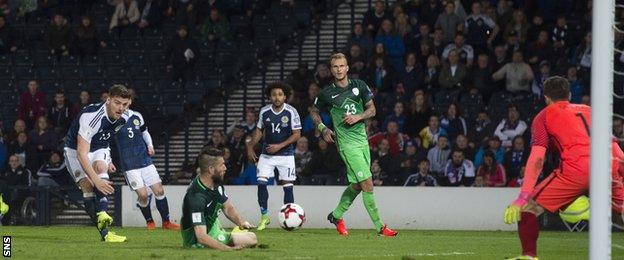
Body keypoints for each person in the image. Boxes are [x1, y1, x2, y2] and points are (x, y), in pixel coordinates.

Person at [503, 76, 624, 259]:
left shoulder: (544, 115)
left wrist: (523, 195)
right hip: (610, 163)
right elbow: (614, 146)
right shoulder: (590, 110)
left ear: (546, 97)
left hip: (578, 168)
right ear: (569, 94)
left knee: (528, 208)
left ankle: (529, 256)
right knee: (621, 210)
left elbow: (537, 158)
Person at [310, 53, 397, 236]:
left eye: (342, 66)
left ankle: (336, 215)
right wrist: (323, 128)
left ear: (347, 68)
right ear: (331, 70)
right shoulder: (327, 93)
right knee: (367, 183)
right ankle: (380, 227)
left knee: (357, 185)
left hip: (362, 143)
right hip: (346, 144)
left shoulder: (360, 85)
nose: (339, 69)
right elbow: (314, 111)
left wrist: (359, 116)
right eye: (335, 66)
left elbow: (372, 109)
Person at [63, 85, 132, 242]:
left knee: (101, 167)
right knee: (88, 185)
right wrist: (96, 181)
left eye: (124, 104)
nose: (121, 108)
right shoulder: (92, 117)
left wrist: (108, 160)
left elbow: (107, 137)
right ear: (108, 100)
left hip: (99, 147)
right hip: (75, 150)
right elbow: (81, 153)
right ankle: (105, 234)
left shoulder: (124, 117)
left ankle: (101, 213)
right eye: (117, 102)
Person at [111, 108, 180, 231]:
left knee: (159, 191)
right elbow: (109, 139)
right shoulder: (113, 119)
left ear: (129, 102)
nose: (123, 105)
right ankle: (150, 221)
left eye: (126, 102)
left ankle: (166, 222)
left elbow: (144, 132)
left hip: (145, 160)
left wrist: (150, 145)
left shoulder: (137, 115)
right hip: (129, 165)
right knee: (143, 196)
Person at [246, 83, 301, 231]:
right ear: (270, 97)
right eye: (274, 95)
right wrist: (250, 146)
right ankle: (264, 217)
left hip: (286, 154)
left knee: (288, 187)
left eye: (280, 94)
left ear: (285, 96)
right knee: (261, 183)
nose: (277, 97)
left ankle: (290, 219)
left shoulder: (291, 111)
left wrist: (280, 145)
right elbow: (258, 131)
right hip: (267, 154)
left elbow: (297, 134)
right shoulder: (264, 111)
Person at [181, 148, 257, 250]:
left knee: (252, 237)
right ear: (211, 169)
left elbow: (228, 208)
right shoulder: (196, 197)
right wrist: (227, 249)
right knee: (252, 239)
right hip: (195, 240)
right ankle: (222, 239)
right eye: (222, 165)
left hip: (211, 227)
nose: (225, 168)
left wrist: (241, 222)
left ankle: (223, 235)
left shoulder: (215, 184)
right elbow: (201, 237)